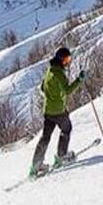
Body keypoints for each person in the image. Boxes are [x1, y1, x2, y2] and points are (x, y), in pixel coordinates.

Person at [29, 47, 83, 177]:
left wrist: (52, 93)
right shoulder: (59, 74)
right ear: (60, 59)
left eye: (69, 59)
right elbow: (67, 91)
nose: (68, 62)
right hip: (58, 111)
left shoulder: (50, 70)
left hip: (48, 110)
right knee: (66, 129)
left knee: (45, 136)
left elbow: (43, 87)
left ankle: (36, 165)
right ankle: (61, 156)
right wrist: (79, 80)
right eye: (66, 59)